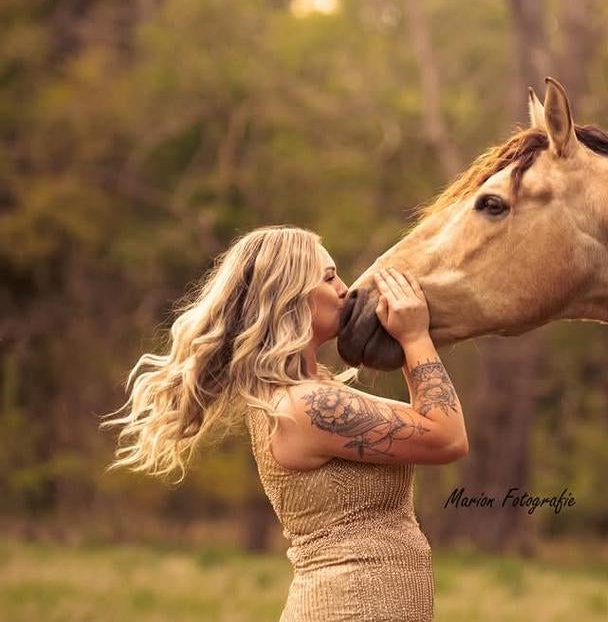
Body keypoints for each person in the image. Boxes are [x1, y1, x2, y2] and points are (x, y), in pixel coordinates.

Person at [101, 225, 468, 621]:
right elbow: (447, 437)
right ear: (290, 298)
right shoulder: (306, 406)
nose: (345, 289)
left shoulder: (310, 393)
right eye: (329, 277)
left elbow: (426, 421)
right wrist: (414, 337)